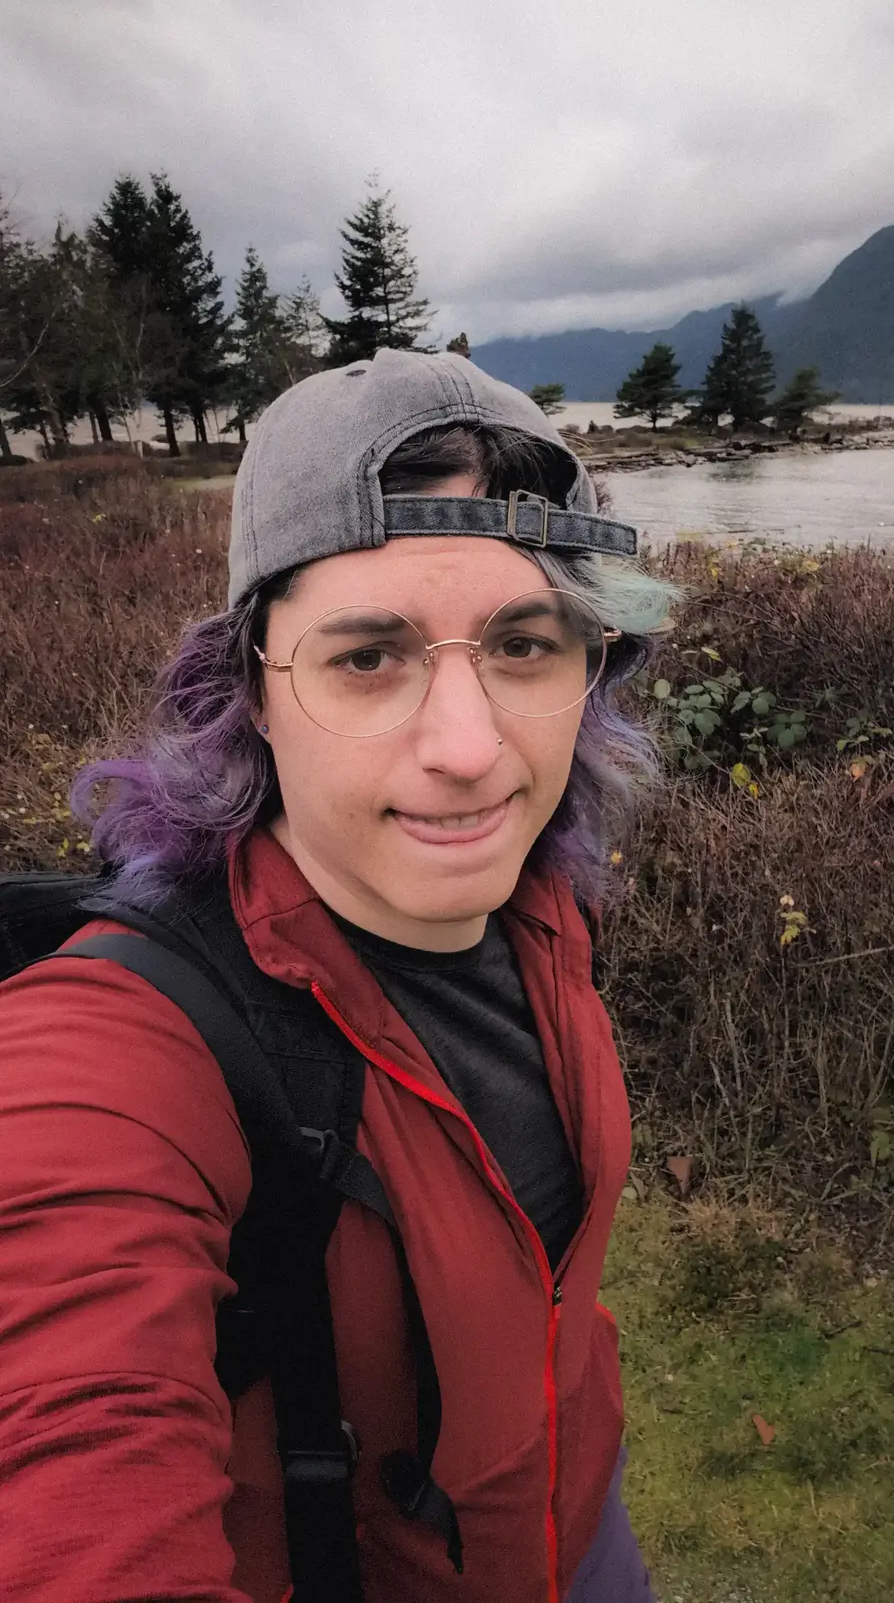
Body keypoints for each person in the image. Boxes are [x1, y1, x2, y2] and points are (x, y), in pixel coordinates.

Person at [0, 350, 677, 1602]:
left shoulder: (538, 906)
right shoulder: (115, 1051)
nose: (469, 750)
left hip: (581, 1531)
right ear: (251, 690)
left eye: (526, 644)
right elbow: (65, 1454)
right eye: (369, 657)